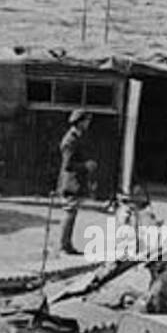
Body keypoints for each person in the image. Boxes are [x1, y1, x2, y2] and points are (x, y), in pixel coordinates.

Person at [57, 109, 94, 256]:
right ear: (79, 122)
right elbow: (68, 165)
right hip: (70, 182)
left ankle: (67, 244)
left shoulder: (78, 137)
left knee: (72, 212)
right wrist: (86, 166)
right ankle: (63, 245)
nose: (88, 124)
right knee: (69, 212)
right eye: (86, 121)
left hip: (75, 181)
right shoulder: (70, 140)